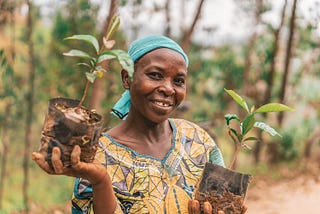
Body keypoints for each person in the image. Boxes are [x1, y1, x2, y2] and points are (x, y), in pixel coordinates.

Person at [32, 35, 240, 214]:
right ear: (127, 78)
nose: (168, 88)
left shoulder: (199, 140)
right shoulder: (98, 155)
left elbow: (224, 203)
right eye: (155, 75)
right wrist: (101, 180)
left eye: (178, 81)